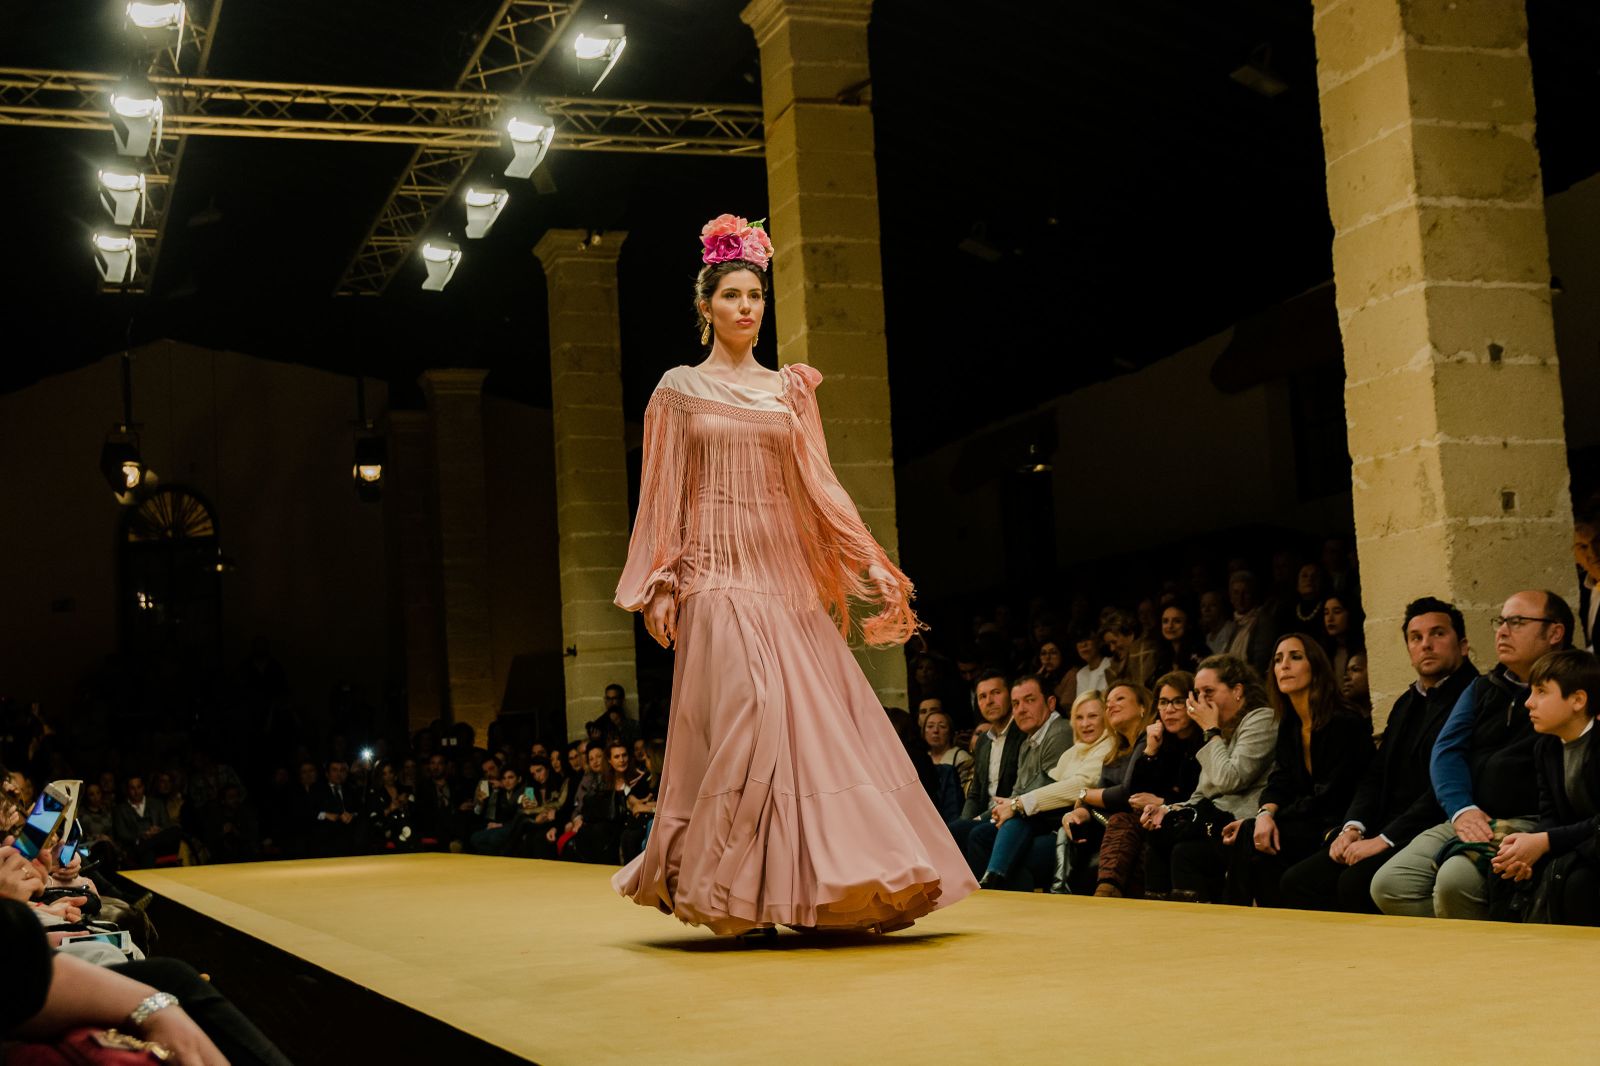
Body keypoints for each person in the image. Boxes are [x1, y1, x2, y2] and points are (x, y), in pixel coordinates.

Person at [609, 214, 976, 934]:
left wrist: (867, 557)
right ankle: (728, 888)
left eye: (755, 296)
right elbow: (663, 494)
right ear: (706, 306)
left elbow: (821, 484)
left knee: (807, 732)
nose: (746, 307)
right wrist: (659, 581)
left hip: (784, 576)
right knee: (750, 716)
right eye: (731, 296)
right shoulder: (678, 389)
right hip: (714, 574)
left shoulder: (789, 391)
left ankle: (804, 890)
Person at [1371, 589, 1573, 920]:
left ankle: (1489, 959)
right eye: (1501, 621)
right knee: (1390, 884)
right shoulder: (1483, 686)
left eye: (1517, 622)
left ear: (1555, 632)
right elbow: (1446, 752)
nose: (1502, 631)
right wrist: (1462, 809)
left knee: (1454, 883)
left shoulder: (1576, 686)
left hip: (1529, 820)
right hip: (1471, 815)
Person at [1280, 597, 1478, 913]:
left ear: (1464, 645)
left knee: (1354, 883)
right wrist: (1352, 828)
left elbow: (1444, 788)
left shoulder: (1475, 697)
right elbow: (1375, 774)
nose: (1426, 645)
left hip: (1431, 826)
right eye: (1416, 638)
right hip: (1384, 824)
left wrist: (1385, 839)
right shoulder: (1406, 702)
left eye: (1438, 634)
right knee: (1298, 881)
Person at [1222, 635, 1373, 907]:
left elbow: (1332, 795)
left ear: (1315, 666)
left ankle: (1237, 918)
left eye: (1295, 657)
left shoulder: (1343, 721)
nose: (1284, 666)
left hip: (1342, 824)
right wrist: (1265, 814)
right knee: (1255, 845)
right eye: (1278, 660)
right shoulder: (1290, 723)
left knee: (1250, 835)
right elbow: (1280, 779)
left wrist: (1268, 820)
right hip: (1310, 820)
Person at [1139, 654, 1277, 901]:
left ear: (1237, 691)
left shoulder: (1261, 719)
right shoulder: (1219, 730)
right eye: (1198, 693)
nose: (1201, 701)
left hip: (1242, 824)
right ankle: (1160, 924)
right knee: (1158, 841)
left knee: (1186, 853)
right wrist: (1167, 810)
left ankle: (1198, 930)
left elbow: (1230, 779)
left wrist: (1210, 731)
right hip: (1214, 822)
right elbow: (1202, 794)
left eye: (1209, 692)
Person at [1491, 649, 1600, 924]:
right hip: (1576, 844)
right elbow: (1550, 813)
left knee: (1579, 883)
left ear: (1577, 700)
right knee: (1504, 870)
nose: (1528, 703)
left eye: (1541, 692)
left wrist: (1545, 842)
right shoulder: (1546, 748)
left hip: (1592, 848)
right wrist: (1527, 852)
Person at [1092, 671, 1204, 898]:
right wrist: (1151, 751)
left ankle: (1108, 893)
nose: (1169, 709)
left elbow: (1206, 796)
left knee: (1131, 826)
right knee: (1127, 822)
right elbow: (1135, 792)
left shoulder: (1205, 740)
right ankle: (1107, 890)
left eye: (1177, 702)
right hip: (1155, 818)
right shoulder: (1160, 741)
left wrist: (1164, 803)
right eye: (1163, 702)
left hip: (1192, 819)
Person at [963, 675, 1073, 888]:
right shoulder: (1028, 741)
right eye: (1016, 704)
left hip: (1051, 818)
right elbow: (1017, 790)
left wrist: (1010, 806)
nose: (1021, 709)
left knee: (982, 835)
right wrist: (998, 810)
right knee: (969, 832)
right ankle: (979, 893)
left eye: (1029, 700)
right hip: (1026, 814)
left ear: (1050, 703)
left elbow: (1048, 787)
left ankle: (989, 890)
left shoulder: (1059, 732)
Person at [949, 670, 1019, 846]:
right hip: (982, 819)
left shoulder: (1023, 734)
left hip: (1011, 816)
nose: (989, 701)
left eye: (996, 693)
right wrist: (966, 821)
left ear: (1010, 695)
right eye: (982, 696)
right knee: (949, 832)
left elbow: (1021, 790)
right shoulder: (982, 741)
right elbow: (974, 793)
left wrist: (978, 820)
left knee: (962, 833)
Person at [922, 708, 973, 795]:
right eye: (930, 726)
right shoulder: (922, 757)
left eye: (942, 726)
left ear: (950, 731)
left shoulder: (961, 757)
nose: (935, 731)